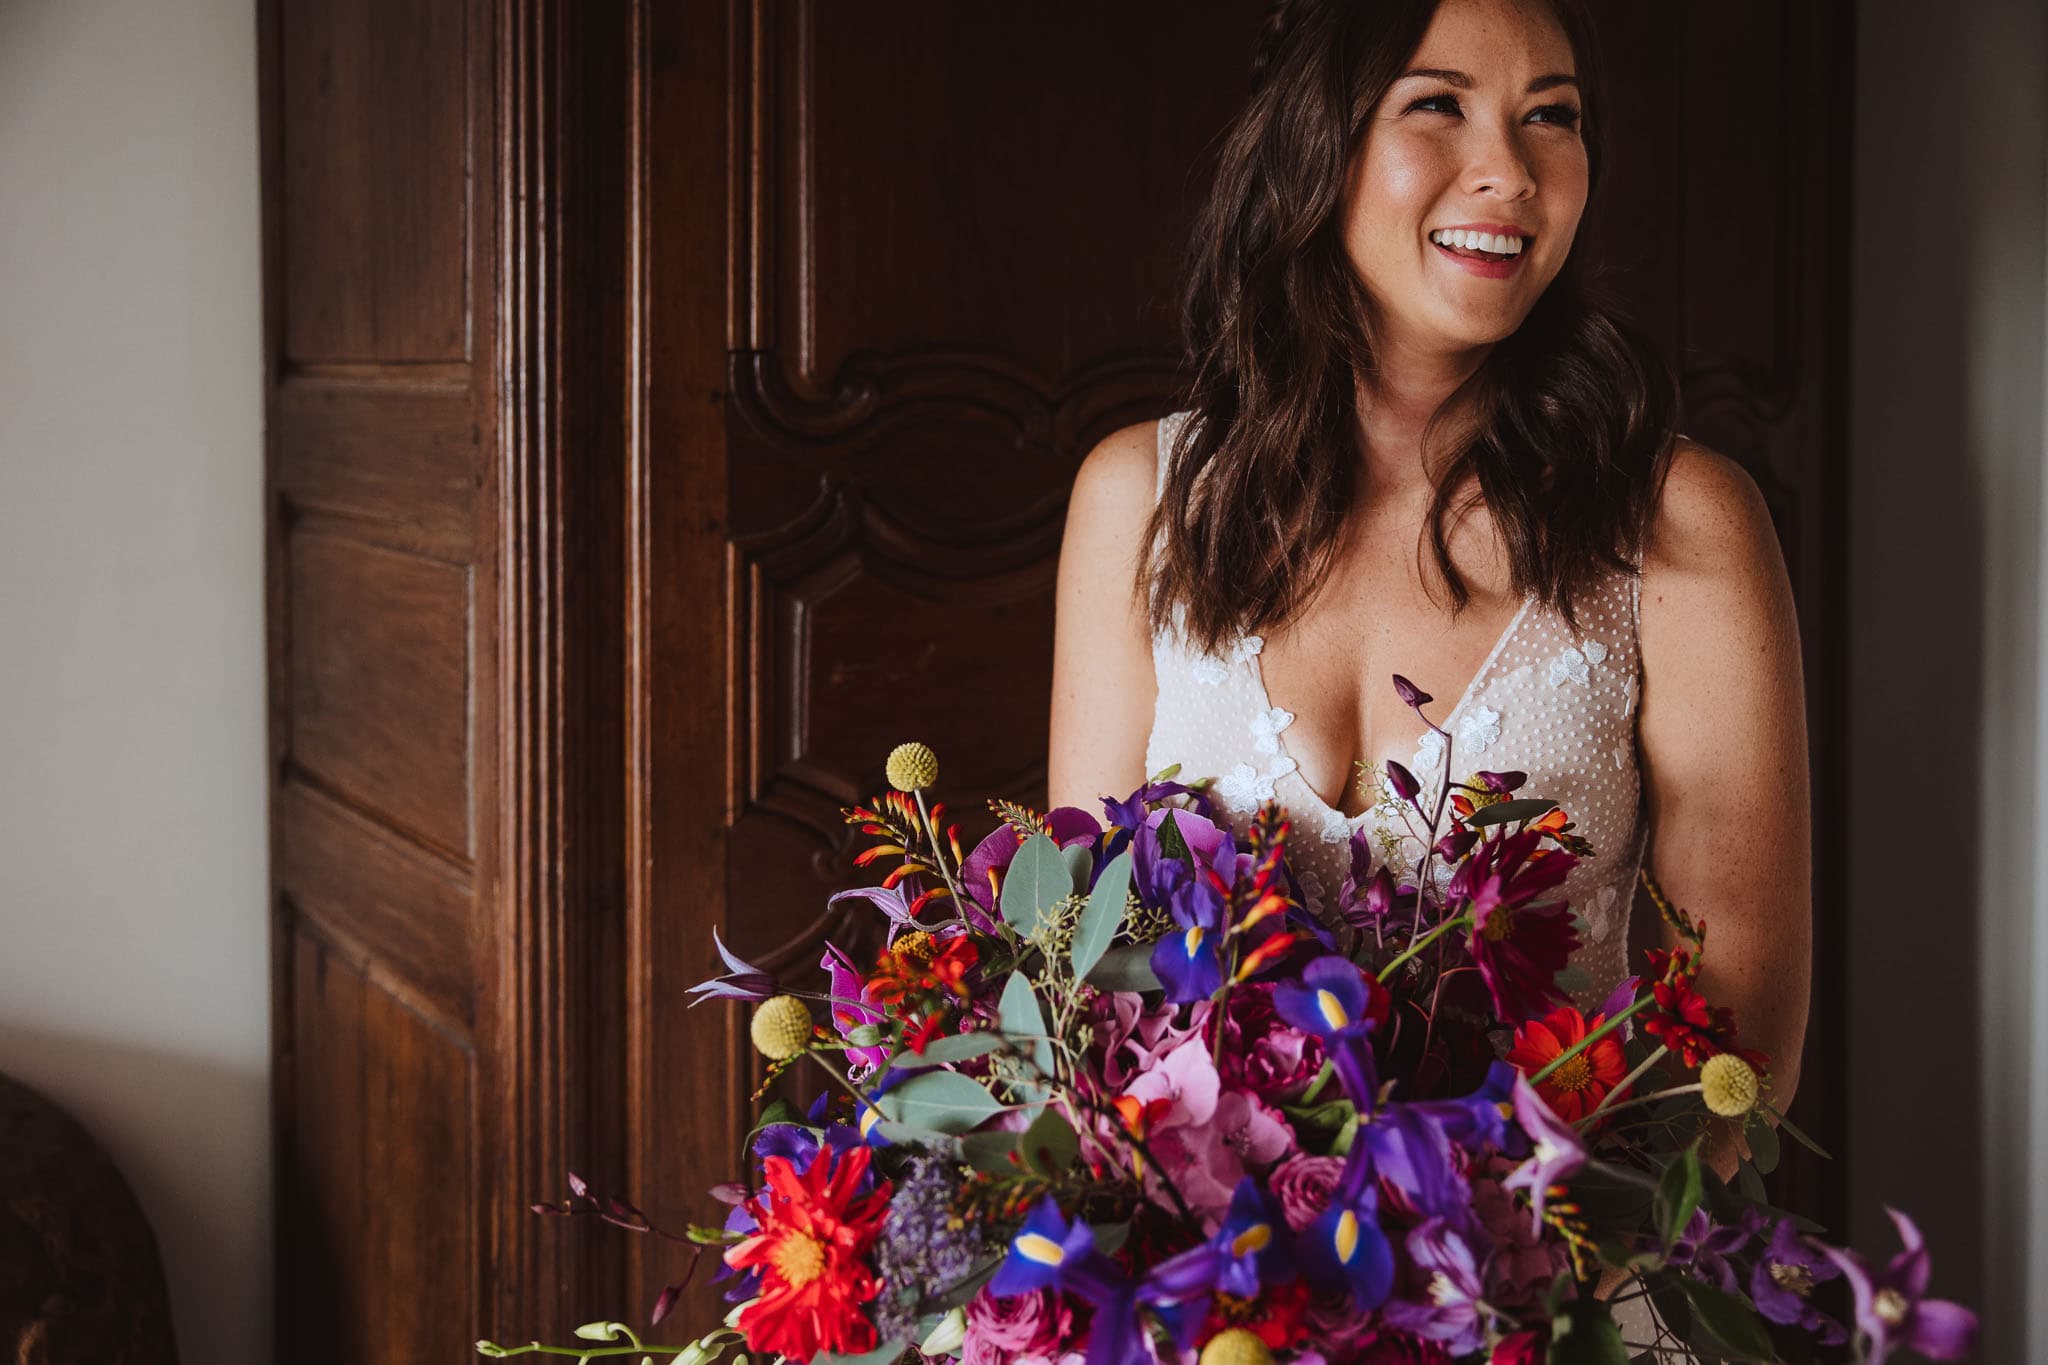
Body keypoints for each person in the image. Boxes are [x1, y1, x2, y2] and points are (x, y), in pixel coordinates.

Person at [1047, 0, 1811, 1342]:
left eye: (1552, 115)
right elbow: (1077, 985)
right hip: (1208, 1315)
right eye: (1439, 103)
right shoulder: (1140, 501)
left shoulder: (1680, 525)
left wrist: (1467, 1292)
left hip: (1554, 1312)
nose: (1511, 170)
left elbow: (1737, 1041)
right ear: (1316, 144)